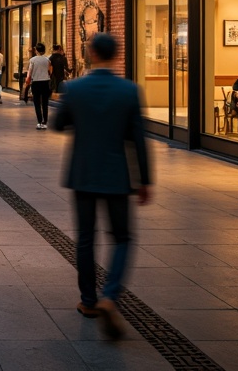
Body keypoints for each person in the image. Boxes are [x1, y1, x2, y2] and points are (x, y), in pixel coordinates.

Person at [53, 32, 151, 340]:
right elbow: (139, 139)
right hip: (117, 175)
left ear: (91, 53)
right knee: (122, 237)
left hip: (83, 172)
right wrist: (145, 180)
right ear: (115, 55)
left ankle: (89, 301)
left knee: (85, 238)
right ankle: (110, 295)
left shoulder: (75, 87)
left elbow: (57, 124)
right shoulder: (129, 90)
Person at [24, 42, 52, 129]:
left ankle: (39, 122)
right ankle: (45, 122)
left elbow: (30, 72)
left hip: (36, 82)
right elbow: (50, 72)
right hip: (45, 82)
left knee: (37, 103)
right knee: (45, 103)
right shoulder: (47, 60)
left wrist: (27, 81)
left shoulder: (32, 60)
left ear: (36, 50)